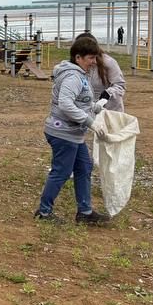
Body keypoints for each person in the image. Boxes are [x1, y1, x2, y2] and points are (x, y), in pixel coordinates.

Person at [35, 33, 111, 225]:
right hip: (63, 133)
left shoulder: (80, 76)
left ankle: (84, 212)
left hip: (73, 135)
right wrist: (90, 122)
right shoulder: (73, 77)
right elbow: (65, 104)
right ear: (78, 57)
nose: (94, 62)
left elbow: (80, 103)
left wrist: (96, 106)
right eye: (91, 58)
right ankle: (43, 212)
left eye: (95, 58)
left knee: (84, 167)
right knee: (61, 171)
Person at [86, 41, 127, 112]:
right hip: (89, 111)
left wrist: (108, 93)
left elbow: (120, 85)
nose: (94, 61)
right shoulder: (78, 65)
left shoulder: (109, 62)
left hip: (110, 110)